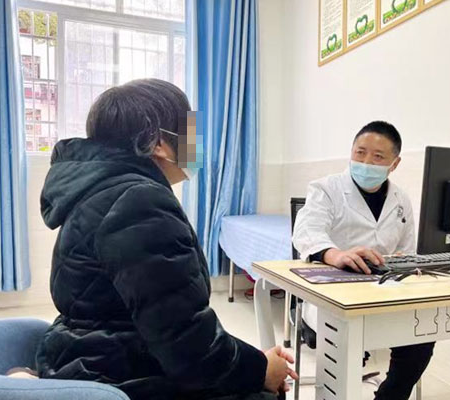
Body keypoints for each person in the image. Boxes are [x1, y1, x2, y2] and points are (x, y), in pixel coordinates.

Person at [36, 79, 297, 400]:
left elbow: (174, 322)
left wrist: (253, 359)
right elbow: (190, 350)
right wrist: (261, 368)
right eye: (191, 132)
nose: (197, 144)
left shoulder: (101, 191)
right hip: (121, 373)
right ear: (157, 141)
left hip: (86, 354)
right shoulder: (138, 202)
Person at [292, 121, 434, 400]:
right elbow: (306, 233)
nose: (366, 162)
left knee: (423, 331)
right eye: (360, 152)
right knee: (345, 341)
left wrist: (405, 262)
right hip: (332, 296)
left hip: (384, 293)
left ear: (394, 164)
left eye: (378, 156)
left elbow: (407, 250)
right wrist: (336, 254)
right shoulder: (326, 188)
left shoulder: (401, 200)